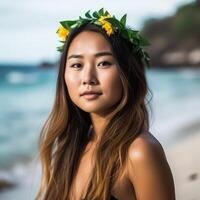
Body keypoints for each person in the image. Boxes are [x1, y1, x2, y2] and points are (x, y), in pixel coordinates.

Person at [36, 8, 175, 200]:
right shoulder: (71, 147)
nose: (87, 78)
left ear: (127, 72)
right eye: (77, 65)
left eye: (103, 63)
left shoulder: (139, 152)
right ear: (64, 76)